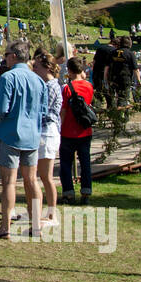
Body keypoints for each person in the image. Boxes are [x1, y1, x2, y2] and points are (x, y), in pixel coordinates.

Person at [0, 40, 46, 238]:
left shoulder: (8, 77)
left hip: (10, 134)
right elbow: (43, 110)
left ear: (13, 56)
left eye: (5, 54)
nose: (4, 58)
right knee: (32, 181)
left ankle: (5, 227)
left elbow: (2, 108)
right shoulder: (38, 80)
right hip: (32, 136)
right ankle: (36, 224)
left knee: (9, 182)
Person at [32, 48, 62, 228]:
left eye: (37, 67)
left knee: (46, 176)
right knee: (42, 176)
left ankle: (51, 214)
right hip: (44, 131)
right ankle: (46, 212)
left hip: (47, 132)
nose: (34, 70)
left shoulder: (51, 87)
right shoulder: (47, 85)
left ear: (48, 68)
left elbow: (42, 109)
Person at [59, 57, 95, 204]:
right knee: (85, 162)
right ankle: (86, 191)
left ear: (69, 70)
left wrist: (59, 127)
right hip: (84, 130)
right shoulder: (89, 86)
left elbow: (64, 111)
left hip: (68, 130)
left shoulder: (67, 88)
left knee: (66, 163)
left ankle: (68, 192)